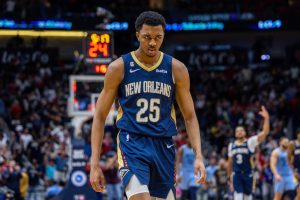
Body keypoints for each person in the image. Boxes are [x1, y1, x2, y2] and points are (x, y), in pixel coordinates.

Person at [89, 11, 206, 200]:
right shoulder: (119, 68)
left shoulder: (177, 69)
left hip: (164, 144)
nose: (152, 42)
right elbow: (100, 116)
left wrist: (198, 155)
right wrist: (94, 164)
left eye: (158, 37)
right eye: (147, 37)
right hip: (132, 141)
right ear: (137, 35)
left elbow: (190, 116)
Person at [227, 106, 270, 200]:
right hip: (237, 174)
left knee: (248, 198)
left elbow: (265, 133)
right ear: (234, 133)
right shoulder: (231, 145)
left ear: (245, 132)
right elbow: (229, 162)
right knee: (238, 197)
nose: (239, 132)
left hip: (248, 174)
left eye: (241, 130)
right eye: (237, 131)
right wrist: (228, 177)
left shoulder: (250, 142)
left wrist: (266, 118)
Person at [176, 136, 201, 200]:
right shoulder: (182, 149)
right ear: (186, 139)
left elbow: (200, 162)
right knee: (184, 195)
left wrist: (201, 173)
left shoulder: (196, 149)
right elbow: (177, 163)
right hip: (184, 173)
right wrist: (178, 174)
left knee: (193, 192)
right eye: (189, 138)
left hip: (194, 173)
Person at [288, 130, 300, 200]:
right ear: (297, 134)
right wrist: (293, 171)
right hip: (296, 171)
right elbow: (288, 159)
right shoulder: (293, 144)